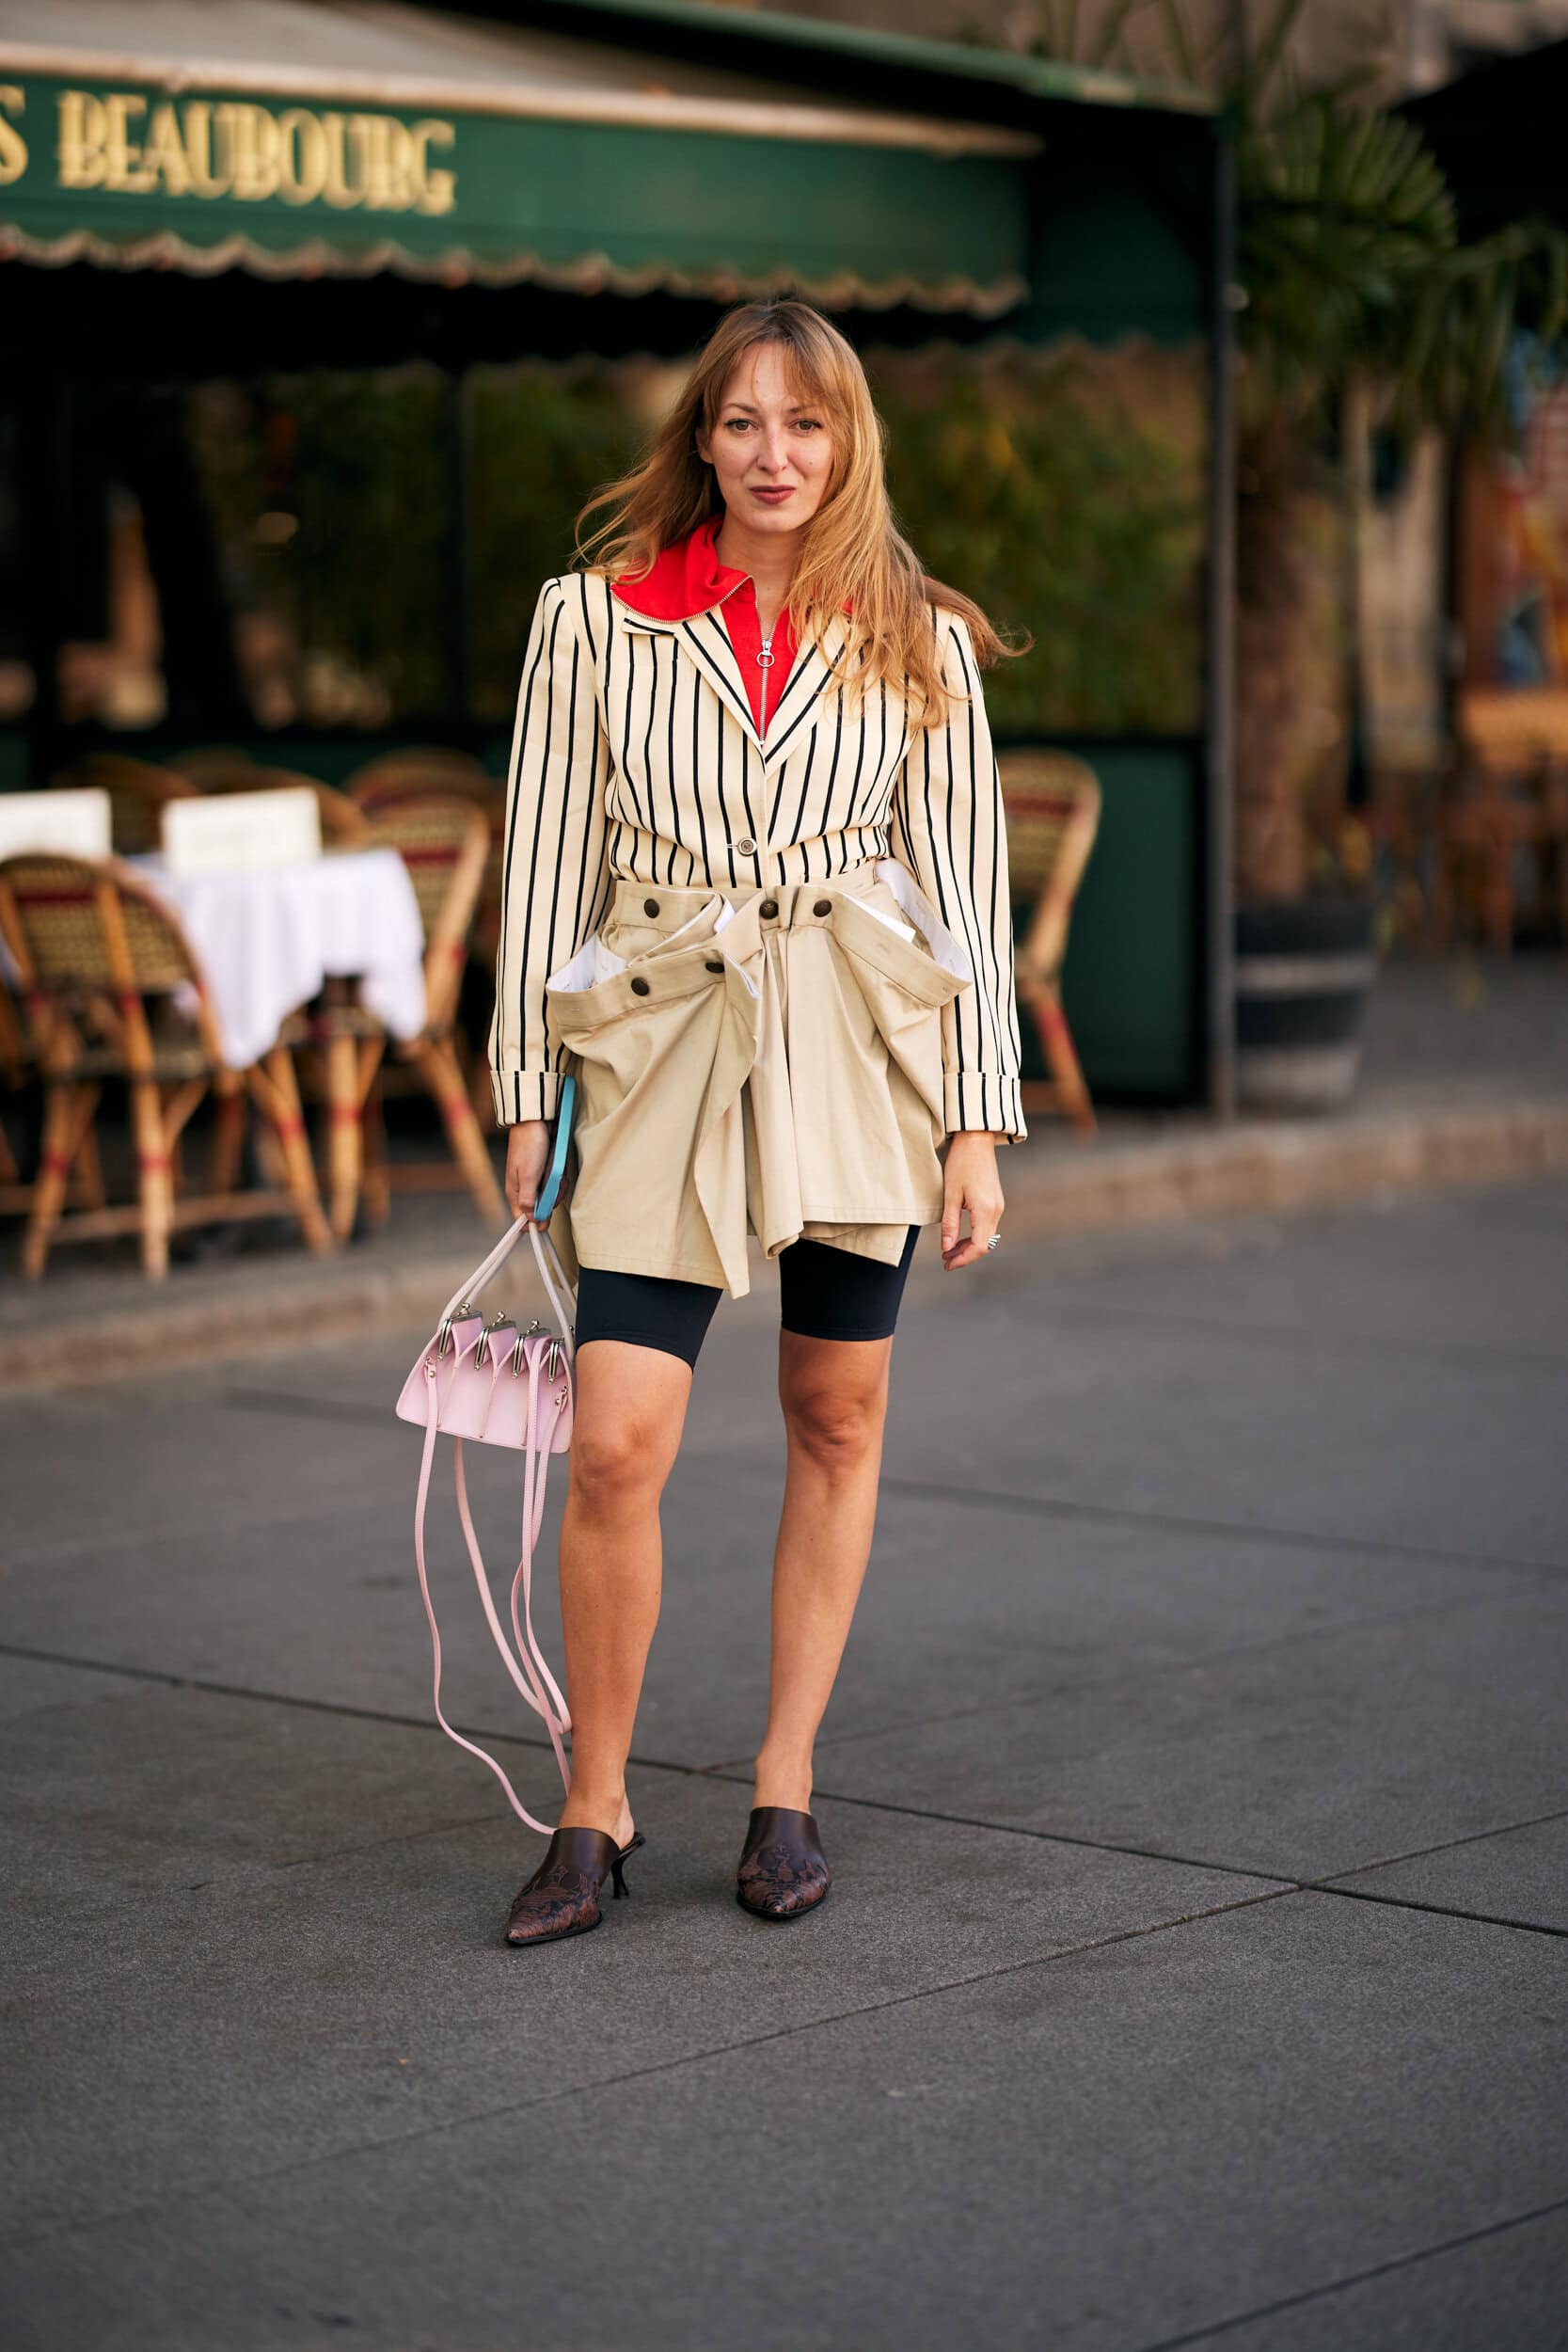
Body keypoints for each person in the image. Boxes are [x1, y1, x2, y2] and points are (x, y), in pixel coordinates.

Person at [488, 294, 1027, 1947]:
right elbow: (542, 866)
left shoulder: (920, 638)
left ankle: (784, 1783)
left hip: (857, 1040)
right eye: (743, 422)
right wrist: (524, 1094)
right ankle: (594, 1802)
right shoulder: (592, 620)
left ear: (848, 439)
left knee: (835, 1413)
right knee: (616, 1439)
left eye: (806, 423)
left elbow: (963, 889)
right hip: (658, 1035)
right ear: (703, 440)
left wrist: (976, 1124)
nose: (774, 454)